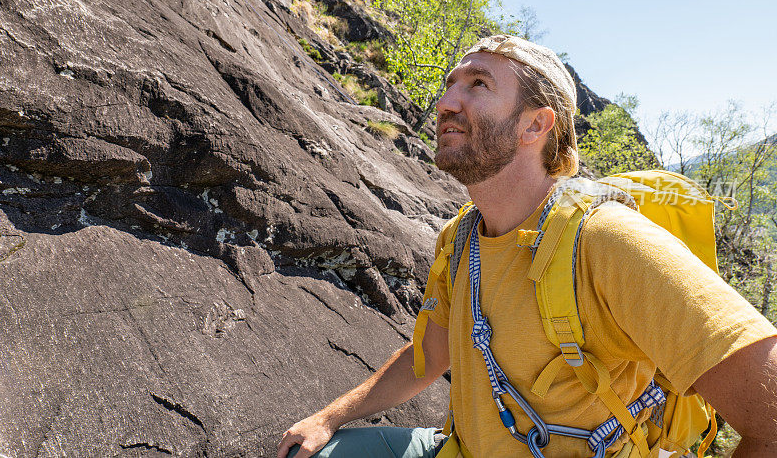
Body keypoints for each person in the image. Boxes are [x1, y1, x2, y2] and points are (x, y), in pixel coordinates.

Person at [276, 35, 777, 458]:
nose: (447, 102)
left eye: (478, 85)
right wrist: (328, 417)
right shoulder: (462, 237)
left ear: (535, 126)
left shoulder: (607, 242)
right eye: (451, 84)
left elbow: (770, 418)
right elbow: (432, 351)